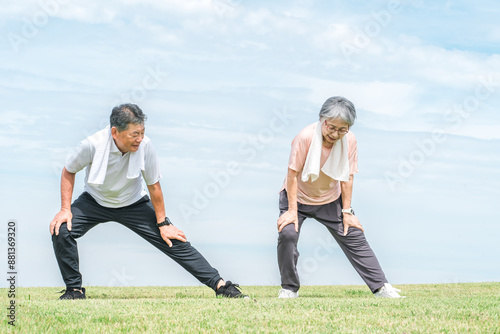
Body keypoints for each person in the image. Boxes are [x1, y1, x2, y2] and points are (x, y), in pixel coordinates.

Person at [50, 103, 246, 300]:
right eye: (134, 134)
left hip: (133, 203)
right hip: (94, 201)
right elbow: (69, 170)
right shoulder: (92, 145)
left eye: (142, 132)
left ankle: (220, 285)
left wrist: (163, 223)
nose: (140, 139)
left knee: (171, 238)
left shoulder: (145, 146)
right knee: (62, 229)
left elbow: (154, 186)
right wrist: (65, 209)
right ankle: (74, 290)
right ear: (115, 132)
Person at [276, 96, 403, 298]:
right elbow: (292, 174)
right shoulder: (305, 137)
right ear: (322, 120)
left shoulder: (349, 141)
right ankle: (289, 288)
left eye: (343, 129)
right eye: (332, 127)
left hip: (329, 198)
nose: (336, 134)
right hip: (297, 197)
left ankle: (381, 287)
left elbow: (348, 177)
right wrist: (291, 211)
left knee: (353, 233)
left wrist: (347, 211)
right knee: (288, 234)